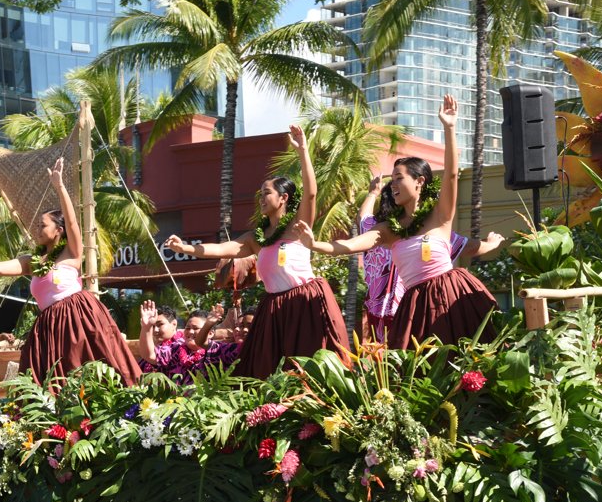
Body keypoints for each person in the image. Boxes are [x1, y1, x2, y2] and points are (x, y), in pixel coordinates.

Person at [300, 95, 499, 349]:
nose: (392, 185)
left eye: (399, 178)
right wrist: (314, 244)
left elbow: (450, 175)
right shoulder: (388, 231)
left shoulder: (440, 217)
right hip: (415, 305)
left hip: (451, 293)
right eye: (391, 179)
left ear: (420, 181)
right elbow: (350, 246)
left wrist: (449, 127)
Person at [164, 124, 349, 378]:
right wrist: (184, 247)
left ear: (283, 198)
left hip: (304, 303)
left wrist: (303, 151)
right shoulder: (255, 238)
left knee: (310, 368)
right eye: (260, 194)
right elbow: (220, 248)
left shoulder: (297, 226)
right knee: (266, 371)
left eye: (267, 193)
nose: (261, 198)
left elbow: (311, 193)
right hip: (274, 309)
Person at [0, 158, 142, 386]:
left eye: (42, 225)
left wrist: (59, 186)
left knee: (89, 363)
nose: (37, 229)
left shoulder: (71, 253)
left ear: (58, 230)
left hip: (78, 316)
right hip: (50, 324)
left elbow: (74, 223)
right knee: (52, 374)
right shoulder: (32, 261)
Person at [356, 175, 506, 343]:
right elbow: (470, 247)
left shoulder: (372, 230)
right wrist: (491, 244)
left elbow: (362, 216)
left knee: (386, 363)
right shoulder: (426, 231)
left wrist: (372, 193)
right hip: (410, 311)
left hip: (376, 312)